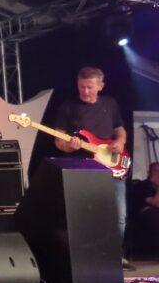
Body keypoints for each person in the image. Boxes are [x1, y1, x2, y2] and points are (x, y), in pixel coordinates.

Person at [52, 66, 130, 267]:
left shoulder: (110, 104)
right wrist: (69, 146)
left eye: (89, 87)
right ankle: (87, 259)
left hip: (112, 167)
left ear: (100, 86)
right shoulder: (68, 107)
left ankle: (114, 256)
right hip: (82, 170)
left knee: (119, 216)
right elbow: (58, 140)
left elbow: (120, 129)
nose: (85, 91)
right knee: (84, 216)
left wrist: (120, 142)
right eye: (81, 87)